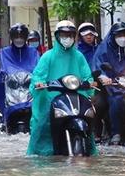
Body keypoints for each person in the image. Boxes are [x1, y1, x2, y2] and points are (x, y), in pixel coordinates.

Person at [27, 20, 97, 156]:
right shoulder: (48, 56)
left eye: (71, 35)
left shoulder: (79, 56)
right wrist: (39, 83)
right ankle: (36, 152)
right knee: (41, 122)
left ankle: (90, 148)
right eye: (64, 35)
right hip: (51, 97)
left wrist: (90, 83)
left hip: (76, 95)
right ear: (58, 36)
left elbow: (87, 74)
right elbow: (38, 75)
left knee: (89, 117)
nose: (68, 38)